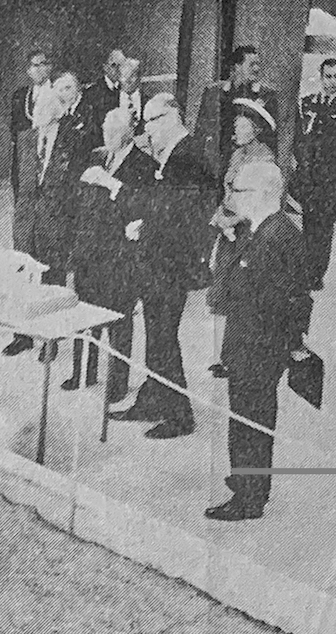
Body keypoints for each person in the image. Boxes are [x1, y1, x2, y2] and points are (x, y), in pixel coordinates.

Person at [205, 161, 312, 521]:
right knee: (247, 418)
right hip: (255, 344)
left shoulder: (271, 238)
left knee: (250, 422)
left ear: (264, 194)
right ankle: (246, 479)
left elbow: (273, 299)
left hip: (258, 347)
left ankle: (249, 499)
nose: (232, 198)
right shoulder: (268, 228)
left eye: (239, 191)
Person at [109, 93, 214, 439]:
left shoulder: (186, 155)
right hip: (161, 258)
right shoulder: (174, 152)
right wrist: (146, 223)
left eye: (150, 123)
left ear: (170, 118)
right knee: (156, 335)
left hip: (172, 263)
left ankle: (180, 416)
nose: (146, 131)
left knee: (164, 338)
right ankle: (152, 399)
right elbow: (166, 204)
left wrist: (136, 212)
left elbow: (178, 213)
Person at [3, 71, 98, 357]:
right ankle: (22, 335)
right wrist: (21, 218)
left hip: (55, 223)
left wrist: (67, 222)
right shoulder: (26, 139)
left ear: (56, 112)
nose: (38, 115)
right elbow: (18, 182)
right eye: (37, 110)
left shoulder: (73, 139)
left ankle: (50, 340)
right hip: (26, 222)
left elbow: (76, 186)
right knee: (23, 278)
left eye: (44, 109)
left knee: (52, 282)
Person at [65, 106, 158, 398]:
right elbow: (81, 206)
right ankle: (82, 372)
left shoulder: (144, 164)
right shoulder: (97, 156)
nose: (107, 136)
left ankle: (117, 384)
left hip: (119, 254)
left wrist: (111, 183)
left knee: (119, 319)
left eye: (114, 131)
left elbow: (141, 207)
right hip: (89, 251)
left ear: (129, 133)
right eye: (105, 130)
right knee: (84, 315)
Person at [206, 98, 277, 379]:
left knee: (241, 294)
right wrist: (219, 217)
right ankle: (219, 357)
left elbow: (259, 204)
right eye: (236, 125)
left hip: (248, 235)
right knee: (221, 291)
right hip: (228, 232)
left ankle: (234, 357)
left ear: (256, 130)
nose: (236, 129)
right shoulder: (237, 155)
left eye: (242, 125)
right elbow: (227, 193)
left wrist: (231, 221)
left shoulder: (265, 160)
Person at [292, 57, 336, 291]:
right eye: (328, 76)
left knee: (323, 226)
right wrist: (304, 166)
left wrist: (334, 164)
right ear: (321, 77)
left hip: (331, 178)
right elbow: (299, 138)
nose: (332, 82)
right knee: (308, 223)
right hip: (309, 176)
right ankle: (304, 269)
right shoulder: (308, 103)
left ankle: (316, 274)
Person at [197, 46, 280, 178]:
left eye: (258, 64)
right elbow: (202, 132)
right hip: (214, 167)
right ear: (236, 66)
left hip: (246, 169)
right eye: (252, 64)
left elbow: (271, 139)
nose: (257, 69)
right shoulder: (213, 92)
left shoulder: (267, 96)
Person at [10, 49, 53, 208]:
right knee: (24, 199)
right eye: (35, 65)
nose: (40, 69)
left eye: (44, 64)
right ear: (28, 71)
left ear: (50, 67)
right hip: (27, 154)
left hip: (49, 151)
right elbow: (15, 129)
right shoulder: (20, 96)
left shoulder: (58, 92)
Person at [83, 48, 127, 129]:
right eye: (113, 65)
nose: (118, 69)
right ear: (105, 67)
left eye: (121, 65)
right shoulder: (93, 92)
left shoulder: (126, 89)